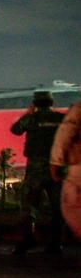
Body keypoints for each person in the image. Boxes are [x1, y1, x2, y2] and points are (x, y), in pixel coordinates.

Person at [12, 91, 67, 254]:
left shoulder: (32, 119)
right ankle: (55, 243)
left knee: (29, 204)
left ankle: (29, 238)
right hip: (57, 168)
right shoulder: (60, 119)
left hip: (36, 168)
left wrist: (29, 113)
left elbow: (15, 129)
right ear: (51, 102)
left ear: (35, 104)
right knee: (58, 206)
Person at [50, 100, 81, 242]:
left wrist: (56, 161)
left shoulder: (78, 109)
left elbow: (66, 131)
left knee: (72, 208)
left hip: (77, 166)